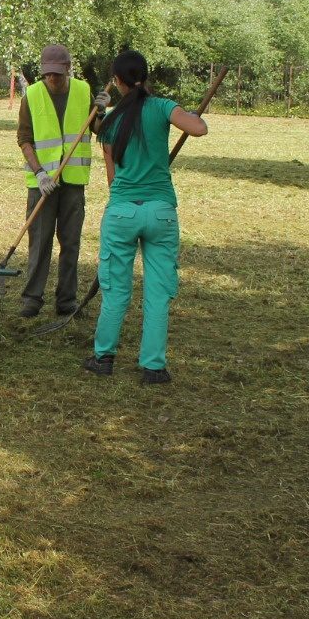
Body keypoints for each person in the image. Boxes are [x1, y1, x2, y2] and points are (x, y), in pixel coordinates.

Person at [82, 48, 208, 384]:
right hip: (161, 213)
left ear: (119, 82)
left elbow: (111, 180)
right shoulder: (162, 107)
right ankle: (153, 366)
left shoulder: (109, 124)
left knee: (116, 290)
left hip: (122, 211)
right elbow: (198, 129)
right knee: (158, 292)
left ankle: (103, 357)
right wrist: (195, 114)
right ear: (146, 77)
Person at [16, 44, 108, 317]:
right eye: (48, 74)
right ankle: (32, 299)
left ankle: (66, 301)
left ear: (68, 69)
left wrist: (101, 112)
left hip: (73, 182)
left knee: (71, 243)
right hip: (42, 183)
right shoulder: (31, 96)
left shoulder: (82, 91)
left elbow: (97, 130)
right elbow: (24, 139)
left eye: (58, 74)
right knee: (39, 242)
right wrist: (40, 173)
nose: (53, 79)